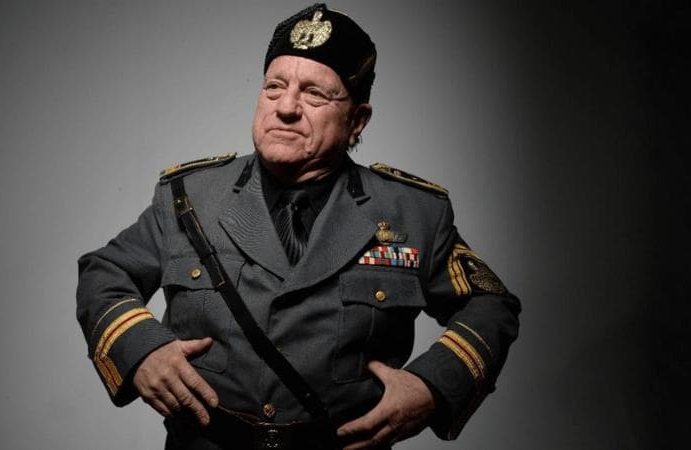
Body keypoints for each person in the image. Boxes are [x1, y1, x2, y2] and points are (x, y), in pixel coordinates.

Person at [76, 4, 520, 449]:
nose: (286, 107)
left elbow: (491, 305)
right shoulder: (189, 197)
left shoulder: (413, 213)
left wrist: (433, 386)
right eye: (274, 87)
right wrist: (141, 349)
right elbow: (104, 273)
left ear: (357, 121)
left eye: (315, 95)